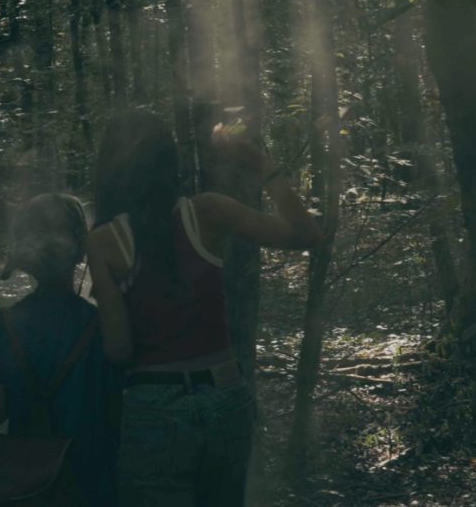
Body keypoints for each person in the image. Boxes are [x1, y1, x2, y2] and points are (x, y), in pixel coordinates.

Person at [86, 112, 324, 507]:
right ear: (169, 162)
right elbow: (307, 234)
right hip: (224, 398)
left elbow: (119, 350)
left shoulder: (103, 242)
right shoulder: (207, 212)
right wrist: (263, 166)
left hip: (154, 405)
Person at [0, 193, 123, 507]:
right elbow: (115, 412)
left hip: (28, 485)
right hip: (90, 482)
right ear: (80, 253)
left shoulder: (5, 324)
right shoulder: (101, 325)